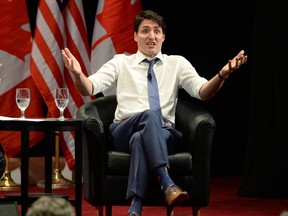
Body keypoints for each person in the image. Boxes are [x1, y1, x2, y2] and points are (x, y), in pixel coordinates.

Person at [62, 10, 248, 216]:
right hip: (122, 130)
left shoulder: (177, 63)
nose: (151, 36)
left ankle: (136, 204)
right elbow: (89, 88)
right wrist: (78, 74)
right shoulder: (121, 62)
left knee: (139, 139)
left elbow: (202, 92)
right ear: (135, 36)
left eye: (156, 31)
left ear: (163, 37)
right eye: (145, 31)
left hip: (164, 134)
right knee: (149, 116)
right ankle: (166, 182)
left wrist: (222, 75)